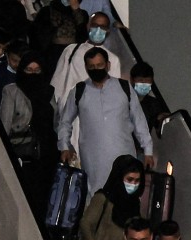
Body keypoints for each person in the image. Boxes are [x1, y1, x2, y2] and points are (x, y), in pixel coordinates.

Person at [56, 46, 153, 194]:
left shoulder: (124, 87)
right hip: (93, 159)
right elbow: (65, 122)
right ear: (86, 68)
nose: (96, 69)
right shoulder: (79, 91)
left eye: (99, 65)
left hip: (124, 155)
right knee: (95, 196)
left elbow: (139, 121)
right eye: (92, 67)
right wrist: (64, 146)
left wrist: (148, 150)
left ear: (108, 65)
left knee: (125, 196)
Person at [0, 51, 57, 215]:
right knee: (27, 198)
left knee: (45, 198)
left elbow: (56, 121)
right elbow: (4, 125)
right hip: (24, 153)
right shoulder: (11, 91)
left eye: (37, 70)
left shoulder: (49, 91)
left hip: (48, 153)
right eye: (29, 70)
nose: (33, 74)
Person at [48, 11, 118, 109]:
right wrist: (60, 107)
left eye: (103, 27)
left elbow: (113, 90)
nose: (98, 30)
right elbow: (58, 81)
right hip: (68, 109)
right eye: (95, 25)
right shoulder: (71, 50)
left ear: (108, 31)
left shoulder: (113, 59)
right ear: (88, 26)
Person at [79, 154, 144, 240]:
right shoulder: (103, 198)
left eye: (137, 181)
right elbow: (86, 223)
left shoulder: (135, 204)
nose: (133, 184)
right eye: (129, 179)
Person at [31, 0, 87, 72]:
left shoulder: (82, 14)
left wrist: (76, 11)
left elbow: (83, 35)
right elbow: (37, 37)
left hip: (73, 54)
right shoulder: (46, 11)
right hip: (51, 55)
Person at [130, 61, 169, 132]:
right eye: (141, 81)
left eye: (147, 81)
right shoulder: (121, 100)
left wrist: (161, 120)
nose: (144, 84)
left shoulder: (155, 104)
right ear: (132, 80)